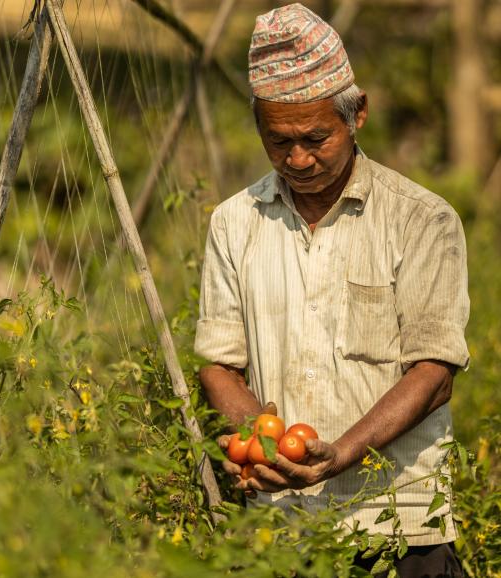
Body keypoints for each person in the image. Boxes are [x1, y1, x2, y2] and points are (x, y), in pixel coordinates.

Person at [194, 3, 469, 576]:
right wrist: (260, 445)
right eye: (277, 142)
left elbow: (433, 374)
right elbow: (221, 364)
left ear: (357, 114)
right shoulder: (233, 222)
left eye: (315, 138)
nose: (297, 159)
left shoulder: (422, 220)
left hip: (398, 522)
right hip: (281, 526)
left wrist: (339, 455)